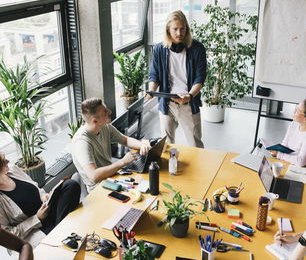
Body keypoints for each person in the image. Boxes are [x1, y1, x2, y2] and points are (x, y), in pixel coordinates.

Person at [147, 10, 206, 148]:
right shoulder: (159, 49)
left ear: (187, 29)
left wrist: (190, 95)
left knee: (195, 145)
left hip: (188, 103)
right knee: (166, 145)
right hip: (167, 103)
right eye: (175, 29)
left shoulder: (197, 48)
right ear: (168, 29)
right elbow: (154, 74)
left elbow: (200, 77)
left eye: (182, 29)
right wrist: (152, 90)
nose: (179, 33)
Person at [0, 153, 80, 250]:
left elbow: (37, 188)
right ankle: (63, 231)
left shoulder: (13, 169)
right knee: (55, 235)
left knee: (71, 185)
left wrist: (45, 197)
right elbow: (8, 235)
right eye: (3, 161)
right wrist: (37, 218)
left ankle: (60, 231)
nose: (8, 161)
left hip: (48, 209)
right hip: (35, 229)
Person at [71, 98, 151, 192]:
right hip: (99, 188)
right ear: (95, 121)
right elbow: (94, 176)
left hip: (113, 177)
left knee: (146, 182)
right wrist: (122, 162)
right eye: (105, 112)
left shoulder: (104, 127)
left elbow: (125, 140)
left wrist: (141, 145)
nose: (110, 111)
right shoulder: (81, 142)